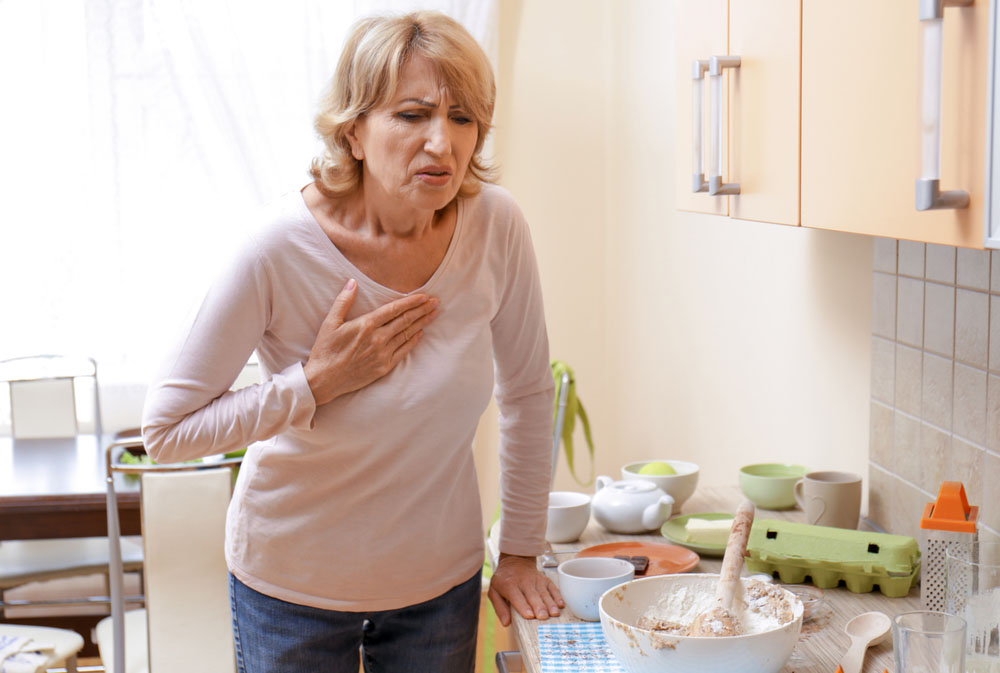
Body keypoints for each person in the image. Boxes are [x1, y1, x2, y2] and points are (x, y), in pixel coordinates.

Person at [141, 10, 562, 673]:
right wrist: (313, 383)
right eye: (413, 114)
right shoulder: (275, 249)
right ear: (354, 130)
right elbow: (166, 430)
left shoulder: (496, 226)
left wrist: (519, 550)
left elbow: (530, 393)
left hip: (438, 588)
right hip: (291, 587)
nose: (442, 144)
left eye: (462, 118)